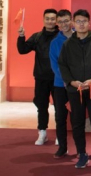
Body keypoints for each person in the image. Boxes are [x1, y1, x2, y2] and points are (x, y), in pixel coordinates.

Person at [58, 9, 91, 170]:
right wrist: (73, 82)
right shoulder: (68, 44)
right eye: (78, 21)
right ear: (74, 23)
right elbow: (63, 66)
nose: (81, 24)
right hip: (75, 90)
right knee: (77, 123)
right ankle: (82, 154)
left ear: (89, 23)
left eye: (84, 21)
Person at [17, 8, 59, 145]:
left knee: (59, 107)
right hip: (41, 78)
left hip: (58, 78)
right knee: (41, 106)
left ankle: (60, 134)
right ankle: (42, 132)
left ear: (56, 20)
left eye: (53, 19)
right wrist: (21, 36)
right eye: (47, 18)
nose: (50, 21)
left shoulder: (61, 37)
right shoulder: (37, 37)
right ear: (43, 20)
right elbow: (22, 50)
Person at [48, 9, 73, 158]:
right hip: (60, 85)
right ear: (57, 23)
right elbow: (54, 65)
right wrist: (67, 80)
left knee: (77, 118)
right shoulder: (55, 42)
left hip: (77, 85)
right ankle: (62, 147)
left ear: (71, 21)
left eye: (66, 21)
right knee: (60, 117)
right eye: (61, 22)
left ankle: (81, 149)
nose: (64, 24)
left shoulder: (80, 37)